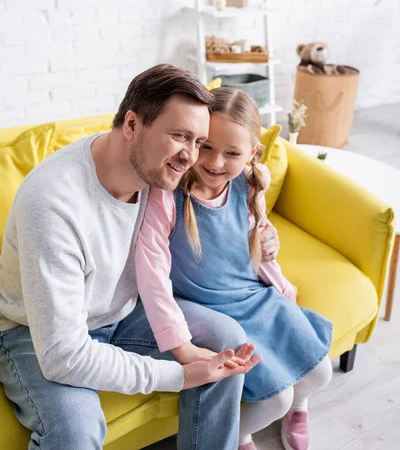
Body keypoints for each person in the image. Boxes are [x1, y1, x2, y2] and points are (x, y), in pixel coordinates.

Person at [0, 64, 261, 450]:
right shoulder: (53, 203)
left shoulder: (157, 171)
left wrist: (261, 208)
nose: (191, 156)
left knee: (227, 344)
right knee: (76, 432)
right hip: (35, 332)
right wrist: (181, 375)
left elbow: (232, 171)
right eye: (179, 136)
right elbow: (65, 357)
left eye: (198, 141)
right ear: (133, 124)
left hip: (121, 313)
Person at [135, 87, 334, 450]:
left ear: (252, 153)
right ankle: (240, 434)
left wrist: (271, 246)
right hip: (205, 307)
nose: (214, 162)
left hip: (251, 294)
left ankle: (299, 407)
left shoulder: (251, 181)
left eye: (232, 153)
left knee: (322, 372)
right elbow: (152, 271)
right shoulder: (168, 194)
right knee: (276, 398)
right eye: (206, 146)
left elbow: (253, 234)